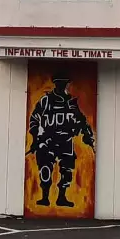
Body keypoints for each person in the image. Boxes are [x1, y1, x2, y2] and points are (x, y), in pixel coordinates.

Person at [27, 76, 93, 207]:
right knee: (45, 169)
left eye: (65, 84)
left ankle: (61, 197)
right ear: (56, 84)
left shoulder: (71, 102)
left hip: (66, 141)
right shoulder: (46, 101)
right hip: (47, 141)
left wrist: (86, 134)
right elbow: (34, 119)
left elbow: (81, 120)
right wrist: (35, 138)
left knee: (67, 171)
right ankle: (45, 197)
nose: (63, 86)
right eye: (60, 83)